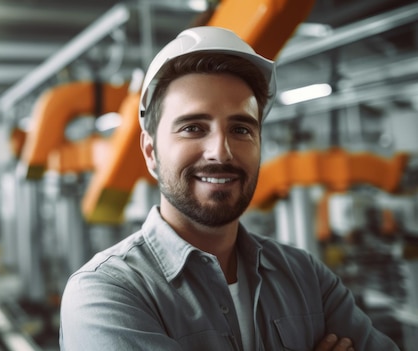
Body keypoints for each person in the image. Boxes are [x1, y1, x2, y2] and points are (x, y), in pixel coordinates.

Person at [59, 26, 399, 351]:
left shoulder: (305, 276)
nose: (221, 152)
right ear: (151, 152)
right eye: (193, 128)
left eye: (241, 129)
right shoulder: (107, 293)